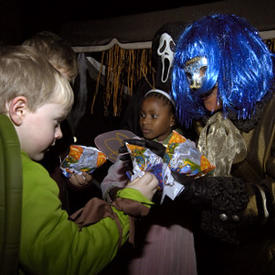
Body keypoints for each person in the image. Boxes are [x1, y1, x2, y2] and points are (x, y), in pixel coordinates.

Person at [0, 45, 159, 274]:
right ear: (19, 110)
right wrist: (127, 208)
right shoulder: (24, 175)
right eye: (55, 122)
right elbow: (65, 259)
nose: (59, 133)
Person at [168, 14, 275, 275]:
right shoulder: (206, 118)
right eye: (200, 94)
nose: (209, 105)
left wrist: (241, 200)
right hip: (216, 253)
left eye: (215, 89)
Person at [100, 89, 197, 275]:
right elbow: (109, 181)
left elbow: (191, 190)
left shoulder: (185, 150)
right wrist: (116, 193)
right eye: (142, 115)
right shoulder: (134, 147)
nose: (145, 121)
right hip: (143, 236)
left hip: (174, 234)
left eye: (154, 116)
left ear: (171, 120)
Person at [23, 31, 97, 214]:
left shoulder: (60, 126)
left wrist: (72, 178)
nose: (62, 93)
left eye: (67, 85)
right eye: (55, 84)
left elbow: (59, 166)